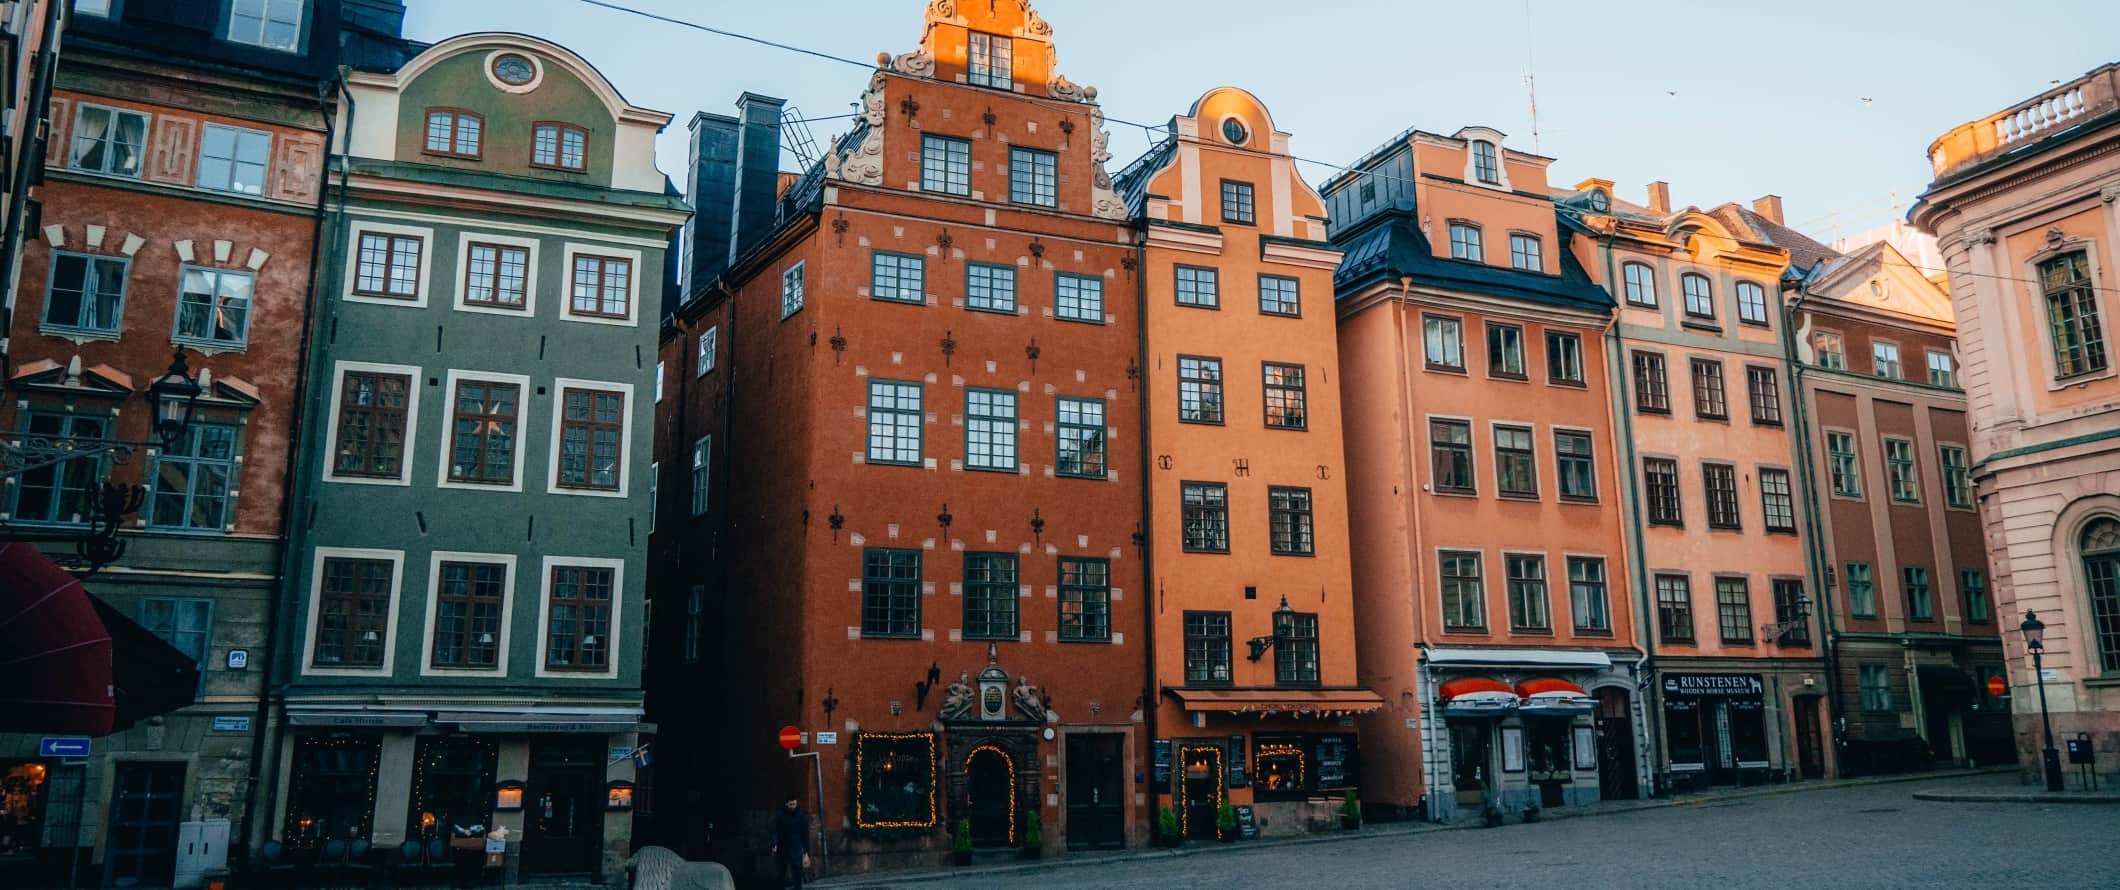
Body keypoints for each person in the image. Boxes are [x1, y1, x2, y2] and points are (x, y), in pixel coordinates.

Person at [768, 795, 810, 889]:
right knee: (781, 871)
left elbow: (805, 834)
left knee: (797, 872)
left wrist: (806, 852)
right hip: (783, 846)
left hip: (796, 847)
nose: (793, 806)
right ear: (786, 803)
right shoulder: (780, 815)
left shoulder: (800, 815)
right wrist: (774, 843)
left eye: (794, 804)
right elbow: (774, 830)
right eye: (791, 804)